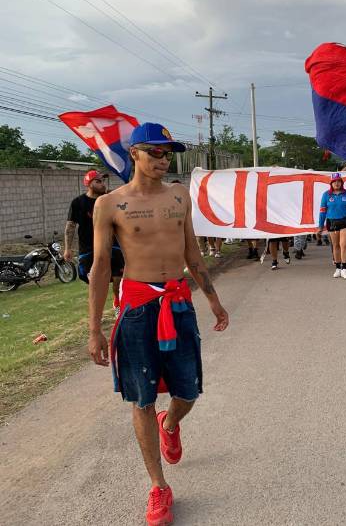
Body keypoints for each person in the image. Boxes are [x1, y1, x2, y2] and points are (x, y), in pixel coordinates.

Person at [87, 122, 229, 526]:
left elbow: (193, 254)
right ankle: (159, 488)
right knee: (142, 398)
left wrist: (215, 302)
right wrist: (94, 328)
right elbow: (100, 267)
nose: (163, 159)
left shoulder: (180, 196)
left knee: (187, 391)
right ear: (134, 153)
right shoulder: (110, 204)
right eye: (155, 151)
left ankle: (172, 423)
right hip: (137, 308)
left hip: (178, 303)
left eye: (168, 153)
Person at [64, 170, 125, 317]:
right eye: (98, 181)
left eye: (103, 181)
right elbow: (70, 226)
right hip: (89, 249)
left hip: (112, 245)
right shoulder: (78, 203)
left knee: (118, 277)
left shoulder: (109, 199)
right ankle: (96, 316)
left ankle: (118, 304)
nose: (102, 184)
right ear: (88, 184)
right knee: (97, 284)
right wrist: (67, 248)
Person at [317, 172, 346, 280]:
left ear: (341, 183)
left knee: (343, 244)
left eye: (339, 181)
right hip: (332, 223)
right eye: (334, 181)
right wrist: (320, 226)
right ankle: (337, 268)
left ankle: (344, 268)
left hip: (345, 222)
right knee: (335, 246)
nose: (337, 183)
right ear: (331, 183)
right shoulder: (326, 195)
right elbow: (322, 211)